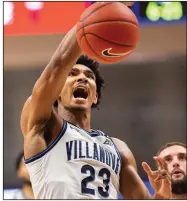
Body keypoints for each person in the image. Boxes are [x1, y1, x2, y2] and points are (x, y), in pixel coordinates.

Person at [20, 2, 171, 199]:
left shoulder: (118, 148)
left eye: (89, 77)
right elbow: (57, 66)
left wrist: (163, 195)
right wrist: (94, 15)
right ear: (57, 92)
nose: (82, 78)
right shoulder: (43, 126)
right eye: (73, 74)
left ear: (95, 96)